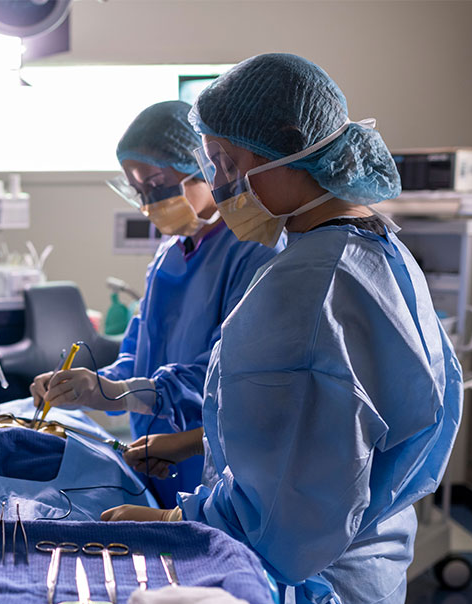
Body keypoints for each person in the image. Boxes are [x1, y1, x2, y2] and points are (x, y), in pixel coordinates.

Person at [101, 54, 463, 604]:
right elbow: (324, 427)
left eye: (227, 164)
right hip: (364, 567)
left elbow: (289, 516)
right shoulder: (374, 248)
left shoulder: (310, 288)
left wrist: (171, 518)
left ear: (293, 154)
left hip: (315, 588)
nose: (216, 187)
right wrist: (192, 446)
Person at [29, 101, 282, 505]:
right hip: (152, 464)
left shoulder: (254, 251)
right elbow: (138, 355)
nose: (149, 200)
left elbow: (228, 374)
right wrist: (90, 386)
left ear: (204, 166)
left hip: (210, 466)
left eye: (158, 183)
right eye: (140, 190)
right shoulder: (168, 256)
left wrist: (118, 391)